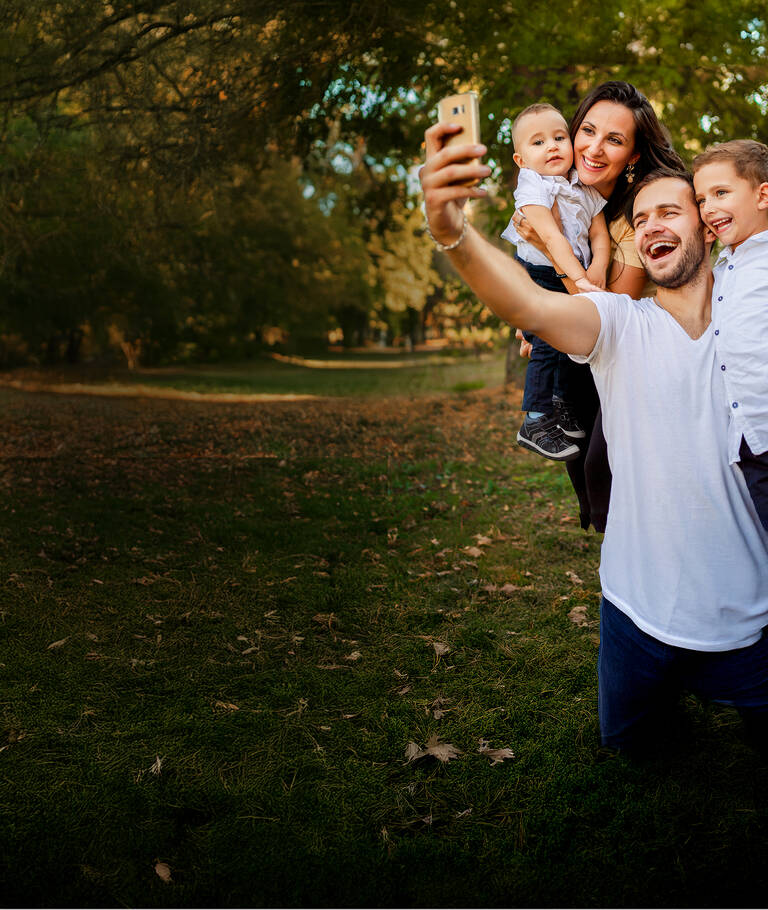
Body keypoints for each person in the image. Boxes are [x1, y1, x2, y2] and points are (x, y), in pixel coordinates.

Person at [420, 135, 768, 754]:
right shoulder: (617, 321)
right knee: (631, 750)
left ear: (707, 226)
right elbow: (528, 302)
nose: (650, 225)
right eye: (640, 219)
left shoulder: (753, 324)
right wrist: (453, 233)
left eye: (670, 211)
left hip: (751, 621)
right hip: (634, 616)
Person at [508, 82, 684, 531]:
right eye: (587, 131)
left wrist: (552, 260)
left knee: (614, 486)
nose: (593, 148)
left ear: (633, 155)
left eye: (614, 139)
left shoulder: (639, 211)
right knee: (591, 480)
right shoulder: (552, 185)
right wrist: (537, 323)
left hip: (625, 368)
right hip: (575, 360)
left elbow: (607, 315)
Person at [500, 102, 610, 462]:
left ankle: (562, 403)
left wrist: (597, 268)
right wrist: (578, 278)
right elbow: (550, 236)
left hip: (572, 270)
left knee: (567, 341)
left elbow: (599, 233)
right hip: (539, 272)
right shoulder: (533, 185)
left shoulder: (581, 184)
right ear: (521, 160)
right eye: (538, 142)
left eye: (559, 137)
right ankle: (534, 419)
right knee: (547, 344)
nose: (552, 146)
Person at [692, 139, 768, 532]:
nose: (708, 208)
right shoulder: (723, 268)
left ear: (762, 195)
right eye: (701, 199)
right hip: (749, 441)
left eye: (721, 193)